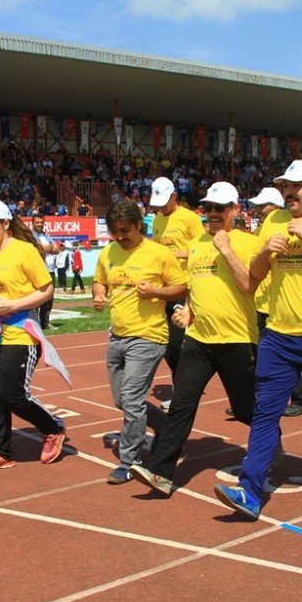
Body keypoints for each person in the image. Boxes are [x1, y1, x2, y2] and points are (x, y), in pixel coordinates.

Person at [214, 160, 302, 520]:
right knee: (265, 412)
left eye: (296, 185)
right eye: (284, 186)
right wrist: (265, 251)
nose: (289, 191)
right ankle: (249, 492)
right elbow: (254, 278)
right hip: (278, 335)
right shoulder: (272, 222)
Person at [130, 182, 258, 496]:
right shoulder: (199, 243)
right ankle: (161, 473)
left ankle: (270, 437)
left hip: (237, 339)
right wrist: (187, 311)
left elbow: (249, 285)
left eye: (220, 208)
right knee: (181, 406)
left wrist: (226, 248)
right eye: (208, 208)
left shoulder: (246, 242)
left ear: (235, 210)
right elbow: (194, 284)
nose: (212, 214)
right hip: (199, 341)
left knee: (244, 409)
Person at [0, 200, 67, 471]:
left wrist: (15, 305)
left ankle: (53, 426)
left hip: (20, 332)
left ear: (5, 224)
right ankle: (1, 451)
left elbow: (46, 289)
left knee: (13, 395)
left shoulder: (24, 252)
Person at [93, 199, 188, 484]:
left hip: (148, 336)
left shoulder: (158, 254)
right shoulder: (109, 252)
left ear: (139, 226)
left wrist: (157, 291)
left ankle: (128, 461)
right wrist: (98, 294)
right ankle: (168, 428)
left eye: (125, 231)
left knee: (132, 399)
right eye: (115, 232)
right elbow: (100, 280)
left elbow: (182, 286)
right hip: (117, 335)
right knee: (122, 401)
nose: (120, 237)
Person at [246, 186, 302, 418]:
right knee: (259, 357)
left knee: (289, 355)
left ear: (275, 206)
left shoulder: (282, 228)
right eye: (256, 206)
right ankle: (256, 400)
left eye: (263, 205)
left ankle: (300, 399)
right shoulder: (262, 230)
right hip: (258, 302)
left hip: (276, 304)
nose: (258, 209)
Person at [149, 176, 205, 409]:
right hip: (163, 288)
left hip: (183, 286)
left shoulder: (190, 219)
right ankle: (184, 388)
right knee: (165, 343)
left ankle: (182, 392)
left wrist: (180, 254)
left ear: (174, 196)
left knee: (176, 343)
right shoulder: (157, 220)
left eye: (164, 201)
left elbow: (204, 248)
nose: (161, 207)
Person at [30, 214, 60, 329]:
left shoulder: (46, 235)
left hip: (50, 270)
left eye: (41, 222)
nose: (40, 224)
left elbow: (57, 250)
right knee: (38, 297)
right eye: (37, 222)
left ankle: (45, 323)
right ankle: (35, 322)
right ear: (33, 223)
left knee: (49, 298)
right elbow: (38, 250)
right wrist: (49, 247)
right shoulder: (30, 236)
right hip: (38, 270)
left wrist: (50, 247)